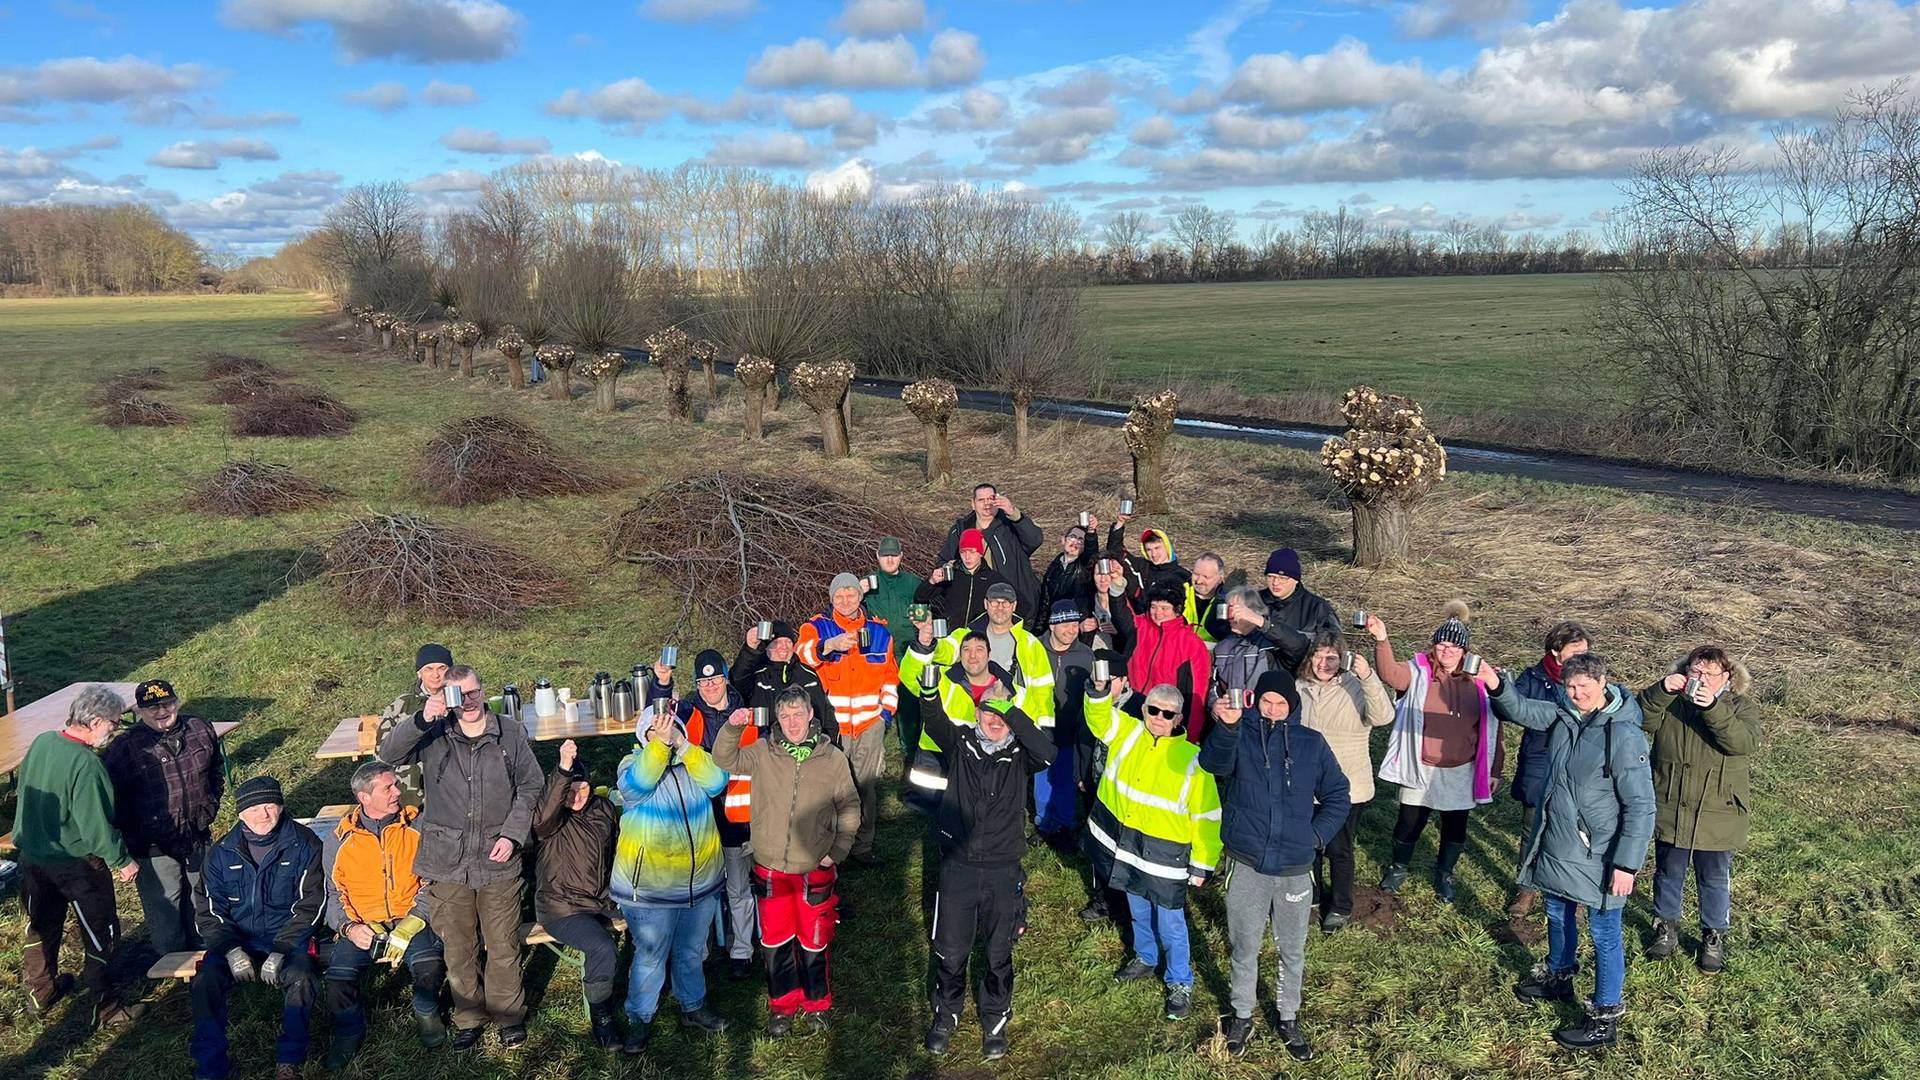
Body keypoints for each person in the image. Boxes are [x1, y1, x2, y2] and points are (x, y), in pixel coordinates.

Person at [1486, 653, 1655, 1051]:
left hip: (1601, 854)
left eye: (1584, 686)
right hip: (1559, 842)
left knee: (1605, 933)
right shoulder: (1564, 716)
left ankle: (1604, 1018)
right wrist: (1495, 684)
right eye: (1570, 686)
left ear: (1603, 683)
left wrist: (1627, 864)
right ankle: (1558, 976)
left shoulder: (1623, 735)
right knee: (1557, 912)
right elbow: (1522, 710)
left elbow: (1641, 805)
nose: (1576, 694)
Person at [378, 664, 544, 1051]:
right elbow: (389, 754)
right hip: (446, 859)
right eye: (458, 696)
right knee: (458, 946)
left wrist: (513, 834)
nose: (467, 702)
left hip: (497, 855)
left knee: (503, 944)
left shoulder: (509, 732)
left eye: (473, 693)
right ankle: (468, 1017)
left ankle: (508, 1016)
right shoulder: (435, 732)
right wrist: (423, 718)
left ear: (482, 691)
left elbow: (531, 784)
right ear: (445, 698)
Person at [1201, 669, 1350, 1061]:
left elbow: (1338, 794)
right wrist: (1226, 728)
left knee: (1292, 949)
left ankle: (1288, 1016)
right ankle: (1241, 1014)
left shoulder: (1311, 743)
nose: (1272, 709)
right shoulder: (1240, 734)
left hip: (1294, 867)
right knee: (1244, 945)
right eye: (1266, 701)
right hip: (1247, 861)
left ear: (1292, 706)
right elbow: (1212, 764)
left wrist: (1315, 837)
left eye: (1280, 703)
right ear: (1256, 701)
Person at [712, 689, 862, 1036]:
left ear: (810, 715)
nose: (792, 723)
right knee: (775, 942)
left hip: (814, 867)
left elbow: (850, 807)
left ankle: (817, 1004)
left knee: (814, 942)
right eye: (785, 716)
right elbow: (724, 758)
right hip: (771, 867)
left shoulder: (832, 758)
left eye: (798, 715)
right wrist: (733, 727)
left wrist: (837, 850)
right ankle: (782, 1006)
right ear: (777, 719)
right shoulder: (763, 752)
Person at [918, 688, 1055, 1060]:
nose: (995, 721)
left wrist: (1013, 714)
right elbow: (934, 720)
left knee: (998, 952)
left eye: (1003, 715)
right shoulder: (961, 743)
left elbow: (1049, 753)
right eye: (987, 712)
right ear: (976, 714)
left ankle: (995, 1018)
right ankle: (946, 1014)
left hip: (1002, 867)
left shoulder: (1021, 754)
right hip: (959, 865)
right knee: (950, 950)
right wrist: (929, 692)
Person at [1083, 676, 1222, 1023]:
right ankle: (1145, 957)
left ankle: (1179, 981)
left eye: (1168, 713)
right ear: (1143, 709)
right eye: (1154, 710)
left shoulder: (1194, 760)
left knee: (1172, 923)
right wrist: (1100, 693)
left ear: (1179, 719)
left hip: (1165, 857)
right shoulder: (1127, 732)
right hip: (1128, 846)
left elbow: (1207, 817)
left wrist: (1202, 863)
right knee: (1138, 910)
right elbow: (1098, 717)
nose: (1159, 718)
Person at [14, 684, 144, 1027]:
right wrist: (122, 861)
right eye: (113, 723)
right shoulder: (87, 765)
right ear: (96, 721)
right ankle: (107, 1007)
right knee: (100, 931)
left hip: (32, 856)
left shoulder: (43, 742)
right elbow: (96, 826)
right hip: (77, 865)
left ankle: (41, 992)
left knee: (40, 926)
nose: (114, 730)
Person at [190, 776, 324, 1080]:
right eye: (253, 809)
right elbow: (209, 909)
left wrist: (281, 949)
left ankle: (289, 1061)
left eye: (270, 805)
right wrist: (230, 949)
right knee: (205, 982)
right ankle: (211, 1067)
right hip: (236, 939)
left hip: (287, 937)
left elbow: (312, 903)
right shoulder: (221, 852)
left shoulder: (305, 844)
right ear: (240, 814)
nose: (263, 814)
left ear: (281, 806)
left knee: (302, 978)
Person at [613, 710, 731, 1051]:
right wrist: (661, 746)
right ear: (643, 737)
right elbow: (639, 783)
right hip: (651, 887)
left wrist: (683, 746)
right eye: (655, 730)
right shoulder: (631, 764)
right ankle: (640, 1016)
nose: (664, 734)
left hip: (700, 883)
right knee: (650, 955)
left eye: (671, 728)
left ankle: (692, 1005)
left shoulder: (695, 761)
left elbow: (717, 782)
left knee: (691, 951)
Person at [1371, 603, 1503, 904]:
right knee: (1409, 822)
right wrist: (1382, 640)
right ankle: (1398, 867)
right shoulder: (1418, 672)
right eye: (1441, 645)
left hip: (1461, 768)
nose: (1447, 651)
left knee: (1455, 826)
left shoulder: (1480, 679)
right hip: (1422, 765)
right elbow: (1390, 674)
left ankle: (1445, 874)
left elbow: (1494, 728)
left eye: (1454, 646)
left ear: (1464, 650)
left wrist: (1494, 768)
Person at [1638, 646, 1759, 973]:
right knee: (1668, 872)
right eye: (1695, 671)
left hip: (1718, 808)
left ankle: (1713, 936)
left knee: (1714, 877)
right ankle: (1665, 928)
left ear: (1726, 677)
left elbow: (1742, 743)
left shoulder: (1740, 707)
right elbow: (1640, 720)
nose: (1701, 678)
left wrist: (1713, 709)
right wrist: (1662, 690)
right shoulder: (1671, 704)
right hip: (1671, 804)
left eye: (1710, 673)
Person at [321, 762, 447, 1068]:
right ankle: (349, 1031)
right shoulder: (339, 839)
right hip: (363, 923)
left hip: (411, 916)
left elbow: (435, 881)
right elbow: (334, 894)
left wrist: (415, 919)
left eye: (396, 785)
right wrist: (349, 927)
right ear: (364, 797)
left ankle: (426, 1012)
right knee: (337, 980)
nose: (397, 792)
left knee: (429, 966)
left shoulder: (418, 826)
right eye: (388, 788)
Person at [901, 584, 1058, 825]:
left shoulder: (1029, 644)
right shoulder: (964, 635)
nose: (1000, 607)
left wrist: (1040, 728)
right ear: (985, 604)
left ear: (1014, 606)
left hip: (999, 730)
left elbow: (1042, 689)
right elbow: (943, 651)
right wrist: (926, 641)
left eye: (1006, 602)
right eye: (994, 601)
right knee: (935, 801)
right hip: (950, 736)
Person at [649, 648, 756, 977]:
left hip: (738, 816)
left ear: (726, 679)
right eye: (702, 681)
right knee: (703, 890)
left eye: (715, 679)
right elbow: (657, 713)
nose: (709, 686)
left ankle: (742, 950)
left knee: (739, 888)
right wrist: (662, 683)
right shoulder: (687, 710)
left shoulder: (746, 712)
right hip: (700, 819)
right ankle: (701, 949)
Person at [102, 677, 224, 956]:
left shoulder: (200, 728)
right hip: (152, 845)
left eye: (167, 704)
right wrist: (133, 832)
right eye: (152, 707)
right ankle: (171, 962)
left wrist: (211, 805)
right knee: (165, 904)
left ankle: (206, 955)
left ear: (177, 702)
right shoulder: (125, 747)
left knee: (202, 895)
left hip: (196, 833)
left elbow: (215, 770)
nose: (161, 712)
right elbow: (112, 796)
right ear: (139, 711)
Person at [797, 573, 900, 866]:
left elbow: (891, 678)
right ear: (831, 599)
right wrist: (829, 645)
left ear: (860, 597)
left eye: (851, 595)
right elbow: (801, 654)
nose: (845, 601)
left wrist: (885, 715)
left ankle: (862, 846)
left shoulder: (879, 632)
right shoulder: (817, 626)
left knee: (865, 787)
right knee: (832, 788)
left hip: (870, 725)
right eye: (839, 596)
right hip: (834, 727)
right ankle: (830, 847)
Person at [1295, 633, 1393, 932]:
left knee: (1339, 849)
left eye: (1331, 658)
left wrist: (1368, 676)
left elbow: (1383, 716)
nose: (1323, 664)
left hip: (1347, 787)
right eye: (1318, 656)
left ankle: (1340, 906)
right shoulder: (1300, 687)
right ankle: (1311, 897)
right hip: (1306, 786)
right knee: (1307, 846)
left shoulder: (1356, 687)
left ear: (1343, 660)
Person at [532, 739, 622, 1047]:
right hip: (563, 907)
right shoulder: (550, 819)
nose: (577, 796)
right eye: (568, 791)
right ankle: (602, 1017)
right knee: (602, 947)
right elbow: (544, 815)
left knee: (655, 923)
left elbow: (615, 851)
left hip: (602, 900)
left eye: (582, 788)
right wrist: (564, 769)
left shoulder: (603, 809)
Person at [1506, 622, 1592, 916]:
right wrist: (1500, 689)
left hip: (1577, 766)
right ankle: (1526, 889)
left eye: (1585, 651)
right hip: (1540, 763)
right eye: (1575, 652)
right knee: (1532, 830)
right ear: (1556, 651)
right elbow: (1510, 709)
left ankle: (1575, 895)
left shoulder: (1590, 680)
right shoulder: (1533, 678)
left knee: (1577, 832)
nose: (1582, 657)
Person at [1220, 548, 1340, 675]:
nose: (1276, 583)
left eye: (1283, 578)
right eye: (1271, 576)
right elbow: (1224, 632)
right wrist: (1223, 598)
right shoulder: (1254, 599)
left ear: (1296, 579)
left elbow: (1334, 646)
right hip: (1255, 673)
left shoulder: (1317, 608)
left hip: (1301, 676)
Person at [940, 482, 1044, 626]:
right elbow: (943, 561)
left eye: (991, 499)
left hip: (1014, 603)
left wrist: (1013, 512)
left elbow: (1035, 539)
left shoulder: (1009, 524)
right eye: (981, 500)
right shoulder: (961, 529)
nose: (986, 504)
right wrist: (950, 568)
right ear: (973, 504)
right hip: (977, 608)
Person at [1124, 579, 1214, 742]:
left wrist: (1190, 737)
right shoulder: (1141, 626)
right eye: (1153, 607)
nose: (1158, 613)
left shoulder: (1191, 643)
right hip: (1133, 712)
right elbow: (1121, 614)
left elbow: (1197, 695)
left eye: (1164, 608)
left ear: (1177, 610)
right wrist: (1116, 587)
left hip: (1164, 721)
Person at [866, 535, 927, 759]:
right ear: (877, 556)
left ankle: (910, 750)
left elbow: (928, 608)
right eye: (885, 555)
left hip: (905, 652)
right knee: (874, 703)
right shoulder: (868, 583)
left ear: (901, 556)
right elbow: (843, 605)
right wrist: (858, 591)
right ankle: (873, 748)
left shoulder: (913, 584)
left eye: (894, 555)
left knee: (908, 703)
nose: (890, 559)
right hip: (877, 654)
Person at [1039, 599, 1095, 838]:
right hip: (1040, 729)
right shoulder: (1035, 649)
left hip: (1070, 728)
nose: (1072, 630)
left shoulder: (1086, 655)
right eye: (1065, 625)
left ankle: (1064, 822)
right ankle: (1043, 821)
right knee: (1042, 779)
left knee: (1064, 778)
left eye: (1075, 624)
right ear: (1052, 626)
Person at [376, 642, 454, 807]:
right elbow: (382, 754)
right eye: (429, 669)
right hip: (411, 796)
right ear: (419, 673)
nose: (436, 675)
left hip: (454, 791)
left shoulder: (461, 700)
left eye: (442, 668)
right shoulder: (402, 705)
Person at [919, 527, 1011, 630]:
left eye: (972, 551)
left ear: (980, 553)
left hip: (978, 637)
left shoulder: (993, 578)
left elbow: (1020, 605)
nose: (967, 557)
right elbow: (920, 598)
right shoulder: (950, 575)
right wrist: (931, 581)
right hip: (950, 636)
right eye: (963, 552)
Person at [1210, 587, 1276, 704]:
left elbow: (1297, 645)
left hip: (1263, 710)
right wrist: (1215, 704)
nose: (1230, 616)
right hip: (1231, 710)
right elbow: (1213, 685)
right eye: (1228, 609)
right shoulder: (1222, 647)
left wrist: (1259, 621)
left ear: (1252, 611)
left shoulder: (1270, 643)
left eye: (1235, 610)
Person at [1106, 515, 1191, 598]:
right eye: (1149, 550)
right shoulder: (1141, 567)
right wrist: (1120, 523)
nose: (1154, 554)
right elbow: (1116, 551)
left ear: (1167, 547)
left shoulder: (1184, 576)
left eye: (1157, 548)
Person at [1041, 516, 1102, 620]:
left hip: (1078, 622)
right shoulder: (1053, 567)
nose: (1075, 542)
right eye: (1072, 537)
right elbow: (1045, 603)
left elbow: (1092, 552)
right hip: (1056, 621)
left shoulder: (1086, 566)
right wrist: (1040, 627)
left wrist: (1091, 531)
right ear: (1063, 540)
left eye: (1081, 540)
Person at [1185, 553, 1228, 648]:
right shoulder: (1179, 592)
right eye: (1196, 574)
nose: (1199, 581)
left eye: (1206, 577)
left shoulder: (1228, 600)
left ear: (1220, 579)